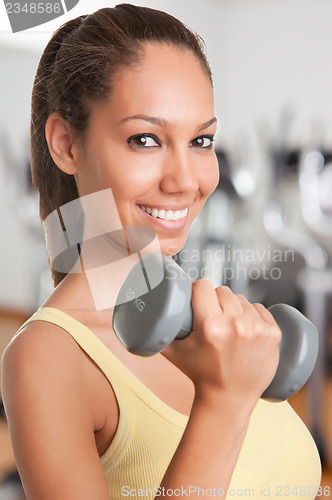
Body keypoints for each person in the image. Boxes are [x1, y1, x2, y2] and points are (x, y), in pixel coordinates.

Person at [1, 4, 321, 499]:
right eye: (146, 139)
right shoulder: (47, 357)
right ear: (66, 144)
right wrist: (224, 402)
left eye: (201, 140)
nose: (185, 180)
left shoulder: (207, 323)